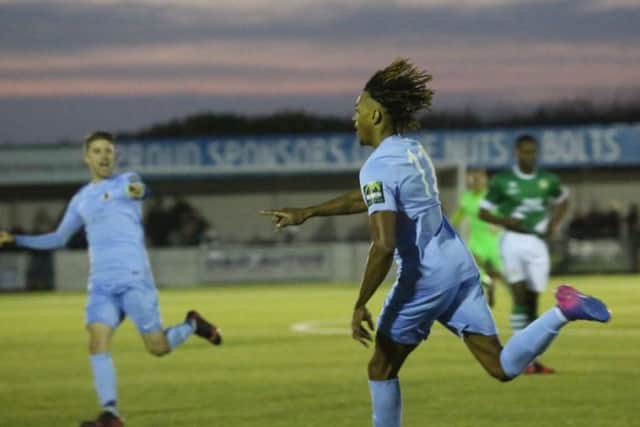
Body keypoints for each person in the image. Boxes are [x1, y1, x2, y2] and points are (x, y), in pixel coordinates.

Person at [261, 58, 610, 427]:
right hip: (458, 267)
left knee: (381, 366)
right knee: (500, 365)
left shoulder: (377, 166)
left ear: (377, 115)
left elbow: (383, 245)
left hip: (424, 277)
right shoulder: (412, 151)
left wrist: (360, 303)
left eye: (357, 109)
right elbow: (372, 196)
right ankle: (565, 310)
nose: (353, 118)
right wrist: (310, 211)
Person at [0, 131, 222, 427]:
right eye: (97, 151)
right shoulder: (81, 199)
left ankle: (193, 324)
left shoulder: (125, 180)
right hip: (101, 286)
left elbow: (139, 189)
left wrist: (133, 190)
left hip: (134, 280)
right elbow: (57, 238)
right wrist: (16, 239)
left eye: (108, 151)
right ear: (86, 158)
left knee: (157, 348)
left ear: (114, 156)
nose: (104, 156)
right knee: (97, 341)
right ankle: (111, 414)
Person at [479, 134, 570, 374]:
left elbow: (562, 200)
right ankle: (520, 361)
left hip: (537, 245)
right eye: (524, 151)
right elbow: (483, 212)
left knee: (532, 302)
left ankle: (531, 359)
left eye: (532, 151)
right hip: (511, 241)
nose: (529, 156)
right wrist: (505, 220)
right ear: (516, 153)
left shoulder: (547, 180)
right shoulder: (502, 181)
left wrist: (553, 225)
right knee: (518, 297)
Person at [451, 169, 503, 306]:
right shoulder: (466, 198)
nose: (475, 183)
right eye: (473, 180)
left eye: (479, 180)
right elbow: (459, 215)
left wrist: (498, 224)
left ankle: (492, 284)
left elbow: (504, 213)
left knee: (499, 271)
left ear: (484, 181)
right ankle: (488, 284)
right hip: (476, 240)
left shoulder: (491, 196)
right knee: (473, 266)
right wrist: (447, 228)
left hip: (493, 240)